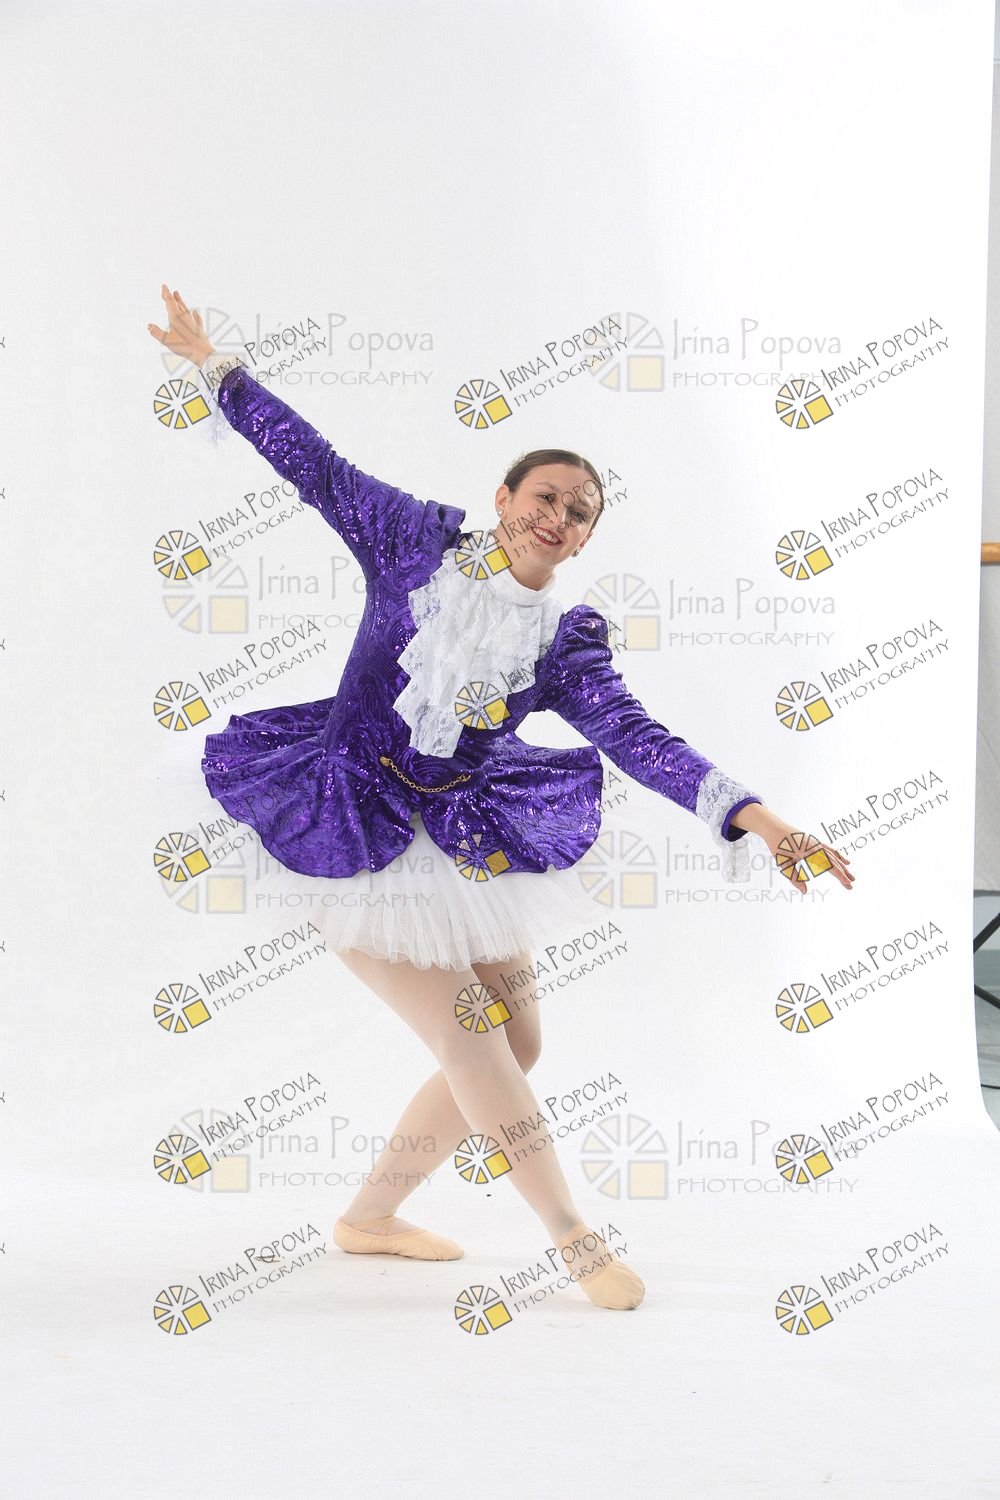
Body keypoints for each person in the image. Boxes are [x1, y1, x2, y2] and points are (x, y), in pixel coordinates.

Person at [147, 284, 854, 1312]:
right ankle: (571, 1237)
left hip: (459, 828)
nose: (556, 517)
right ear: (504, 497)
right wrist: (216, 368)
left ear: (583, 540)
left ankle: (369, 1218)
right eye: (545, 496)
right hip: (343, 819)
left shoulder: (563, 643)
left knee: (517, 1042)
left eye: (578, 513)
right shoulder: (408, 541)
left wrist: (767, 822)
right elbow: (315, 466)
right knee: (475, 1033)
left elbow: (641, 740)